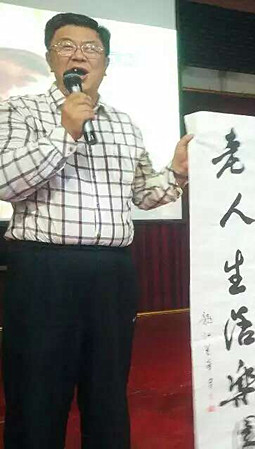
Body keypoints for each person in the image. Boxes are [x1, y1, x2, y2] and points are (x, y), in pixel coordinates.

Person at [0, 12, 192, 449]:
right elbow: (5, 181)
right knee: (36, 394)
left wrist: (177, 173)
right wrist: (65, 131)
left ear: (105, 63)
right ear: (50, 58)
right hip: (43, 271)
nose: (79, 55)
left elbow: (144, 194)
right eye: (66, 46)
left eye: (91, 49)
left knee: (107, 393)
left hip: (112, 272)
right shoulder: (17, 110)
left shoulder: (124, 123)